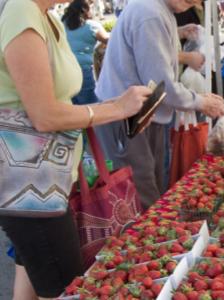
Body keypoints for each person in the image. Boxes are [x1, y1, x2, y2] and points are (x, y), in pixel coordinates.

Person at [0, 0, 152, 299]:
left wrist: (116, 106)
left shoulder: (47, 16)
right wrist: (116, 108)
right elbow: (44, 115)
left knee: (32, 271)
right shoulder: (21, 11)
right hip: (29, 186)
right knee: (64, 287)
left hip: (44, 180)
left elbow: (56, 102)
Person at [94, 0, 224, 209]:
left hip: (144, 113)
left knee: (151, 182)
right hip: (129, 118)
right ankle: (144, 239)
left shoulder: (158, 9)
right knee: (141, 192)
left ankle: (150, 234)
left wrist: (178, 31)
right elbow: (161, 84)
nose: (195, 2)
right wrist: (200, 102)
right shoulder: (151, 14)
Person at [62, 0, 109, 105]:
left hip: (64, 71)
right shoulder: (91, 26)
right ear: (84, 10)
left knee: (73, 107)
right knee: (91, 106)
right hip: (83, 71)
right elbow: (111, 40)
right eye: (90, 8)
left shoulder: (61, 23)